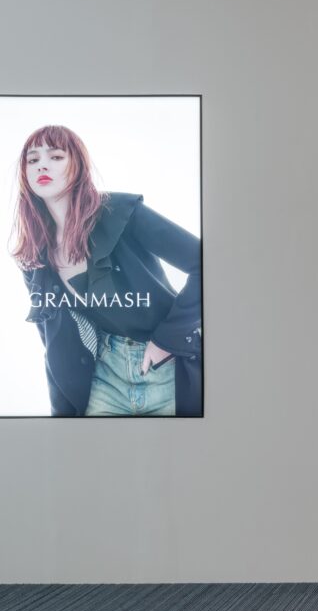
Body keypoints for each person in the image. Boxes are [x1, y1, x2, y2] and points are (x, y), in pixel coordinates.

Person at [10, 125, 202, 416]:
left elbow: (205, 264)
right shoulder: (35, 253)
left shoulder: (121, 212)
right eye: (32, 160)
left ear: (78, 165)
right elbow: (52, 339)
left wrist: (167, 340)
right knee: (94, 448)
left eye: (56, 156)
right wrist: (61, 417)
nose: (42, 166)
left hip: (165, 366)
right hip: (103, 375)